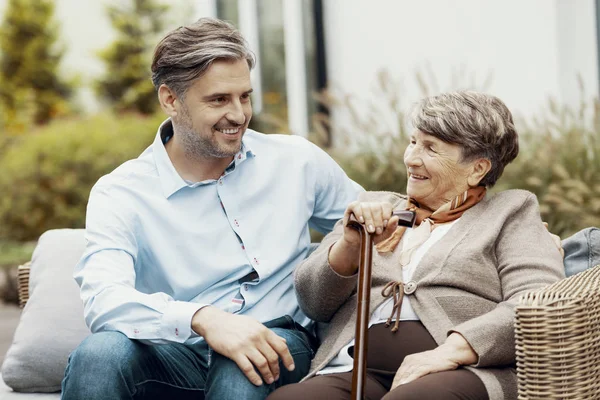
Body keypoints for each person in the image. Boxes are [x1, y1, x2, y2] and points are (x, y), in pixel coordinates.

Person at [60, 18, 363, 400]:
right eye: (219, 100)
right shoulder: (121, 192)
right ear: (171, 100)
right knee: (99, 354)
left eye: (245, 96)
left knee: (244, 365)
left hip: (279, 339)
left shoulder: (296, 161)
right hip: (176, 353)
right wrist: (203, 319)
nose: (238, 114)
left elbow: (368, 217)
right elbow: (105, 298)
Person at [267, 91, 565, 400]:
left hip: (459, 374)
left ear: (477, 169)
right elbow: (313, 303)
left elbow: (537, 303)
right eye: (413, 142)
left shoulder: (510, 213)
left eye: (431, 148)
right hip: (355, 371)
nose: (411, 158)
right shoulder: (373, 206)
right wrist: (351, 246)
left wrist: (451, 352)